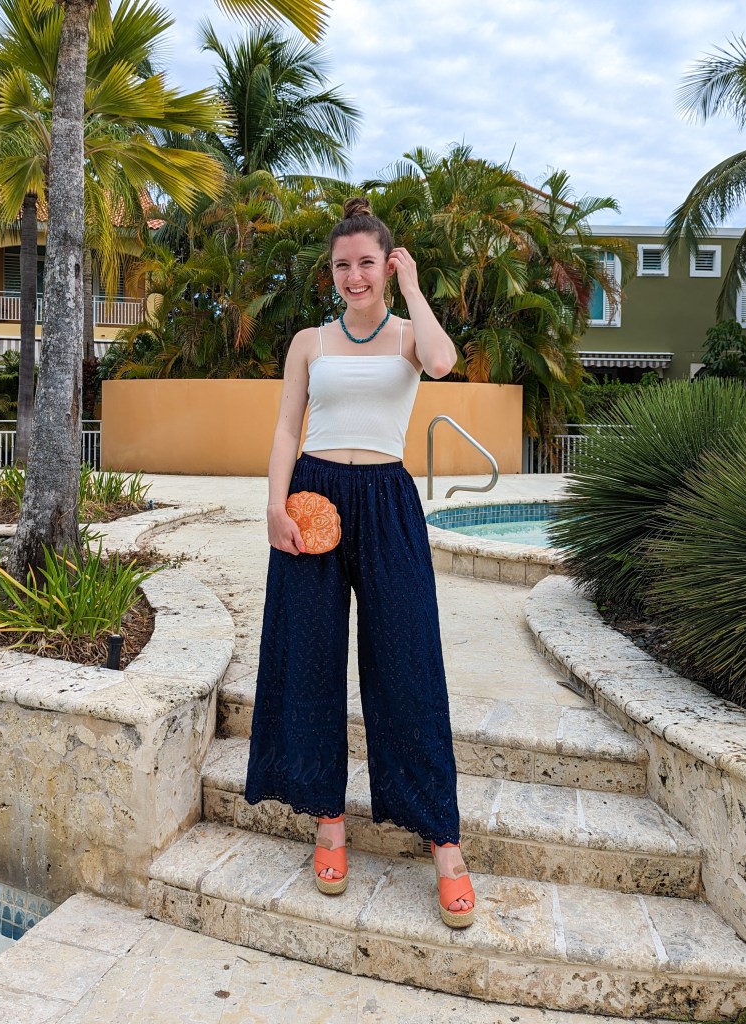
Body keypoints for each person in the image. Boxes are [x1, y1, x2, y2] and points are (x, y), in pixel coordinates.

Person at [243, 197, 475, 928]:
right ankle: (327, 823)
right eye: (342, 265)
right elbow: (286, 428)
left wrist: (413, 289)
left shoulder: (411, 335)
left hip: (386, 500)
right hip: (313, 496)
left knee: (406, 662)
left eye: (366, 263)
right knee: (306, 660)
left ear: (387, 263)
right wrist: (275, 506)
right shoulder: (310, 343)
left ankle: (444, 843)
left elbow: (441, 364)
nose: (353, 276)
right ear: (332, 272)